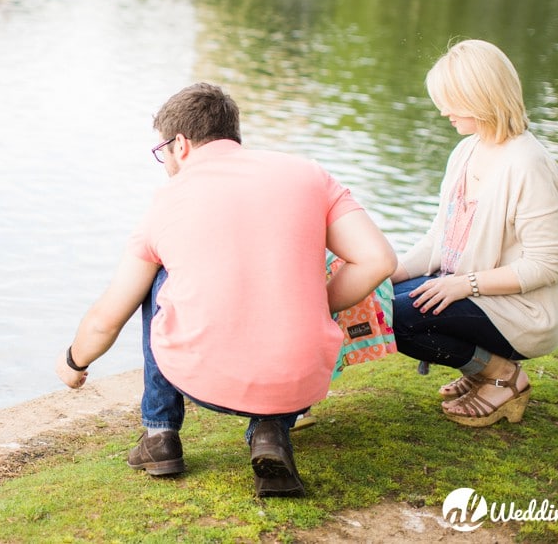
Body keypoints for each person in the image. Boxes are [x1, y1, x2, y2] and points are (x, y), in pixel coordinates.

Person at [55, 82, 396, 497]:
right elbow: (378, 260)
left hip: (204, 381)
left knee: (157, 277)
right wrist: (312, 302)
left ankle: (160, 433)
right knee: (299, 265)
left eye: (161, 151)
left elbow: (111, 314)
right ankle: (270, 431)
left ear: (179, 144)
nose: (163, 161)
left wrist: (74, 362)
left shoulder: (168, 200)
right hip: (300, 384)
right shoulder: (308, 174)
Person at [390, 39, 558, 428]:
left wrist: (464, 285)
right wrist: (393, 271)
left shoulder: (529, 164)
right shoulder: (466, 151)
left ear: (481, 96)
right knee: (381, 299)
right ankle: (479, 369)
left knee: (397, 319)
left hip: (524, 311)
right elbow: (440, 238)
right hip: (473, 289)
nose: (443, 110)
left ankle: (502, 375)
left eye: (451, 100)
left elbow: (546, 265)